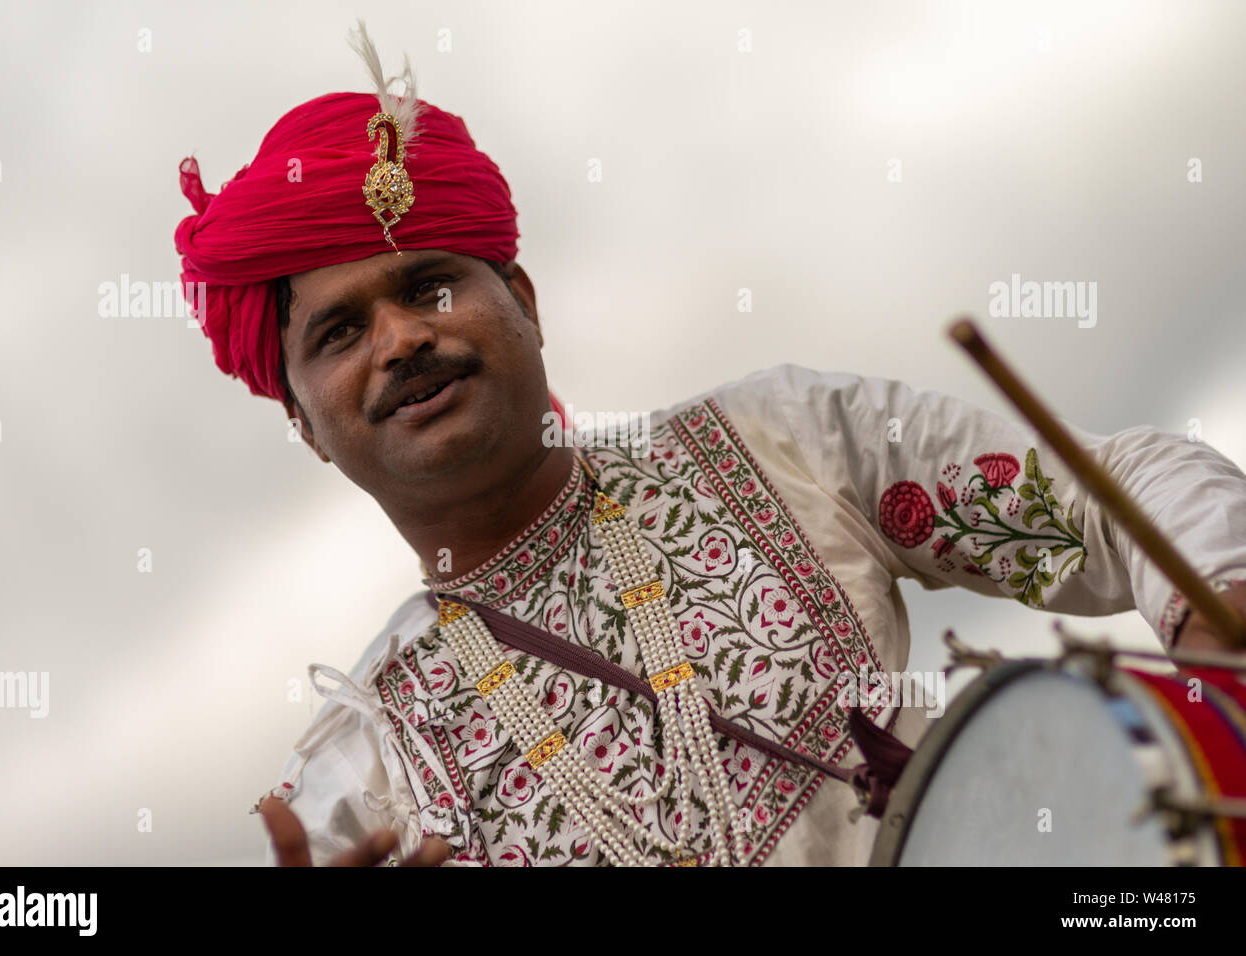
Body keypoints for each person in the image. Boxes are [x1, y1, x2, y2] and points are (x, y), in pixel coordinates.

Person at [174, 23, 1246, 867]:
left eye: (430, 284)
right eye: (340, 331)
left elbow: (1125, 494)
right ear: (304, 425)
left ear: (526, 303)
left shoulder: (783, 440)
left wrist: (1214, 623)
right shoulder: (356, 779)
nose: (403, 337)